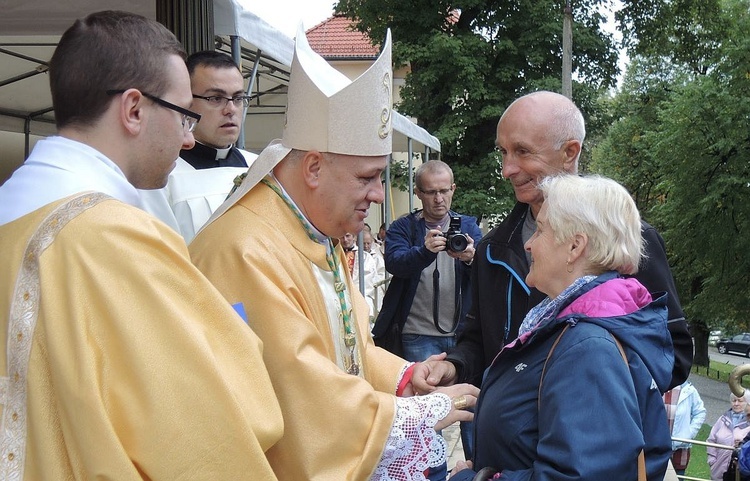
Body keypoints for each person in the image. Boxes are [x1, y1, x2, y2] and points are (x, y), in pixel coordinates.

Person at [0, 11, 282, 480]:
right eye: (184, 114)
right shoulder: (118, 238)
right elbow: (205, 424)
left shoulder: (11, 207)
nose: (189, 136)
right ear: (134, 109)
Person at [189, 25, 479, 480]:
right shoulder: (243, 249)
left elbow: (350, 347)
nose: (379, 197)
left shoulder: (314, 234)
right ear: (314, 167)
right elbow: (299, 388)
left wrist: (403, 377)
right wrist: (413, 416)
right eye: (367, 178)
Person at [412, 90, 693, 392]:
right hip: (506, 437)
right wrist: (454, 366)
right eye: (503, 152)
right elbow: (478, 340)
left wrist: (572, 395)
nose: (508, 169)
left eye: (522, 151)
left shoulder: (628, 241)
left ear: (570, 152)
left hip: (582, 435)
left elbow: (672, 355)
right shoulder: (492, 249)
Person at [449, 174, 674, 481]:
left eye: (540, 230)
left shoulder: (588, 347)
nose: (528, 244)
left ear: (574, 247)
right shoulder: (569, 325)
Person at [139, 50, 256, 242]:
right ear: (187, 103)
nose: (231, 110)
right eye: (215, 98)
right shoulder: (161, 177)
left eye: (238, 98)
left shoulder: (260, 167)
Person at [663, 379, 706, 475]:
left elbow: (700, 412)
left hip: (679, 449)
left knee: (678, 476)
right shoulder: (659, 384)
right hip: (657, 446)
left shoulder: (689, 390)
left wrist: (688, 434)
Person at [707, 394, 750, 480]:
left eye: (740, 401)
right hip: (718, 467)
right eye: (734, 400)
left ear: (748, 403)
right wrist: (712, 460)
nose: (736, 403)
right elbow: (711, 440)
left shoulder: (749, 420)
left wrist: (741, 445)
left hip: (739, 470)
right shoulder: (723, 419)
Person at [341, 231, 381, 320]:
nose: (345, 240)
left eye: (348, 236)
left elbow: (368, 281)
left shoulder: (365, 257)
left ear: (354, 237)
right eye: (342, 237)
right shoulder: (335, 255)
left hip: (360, 295)